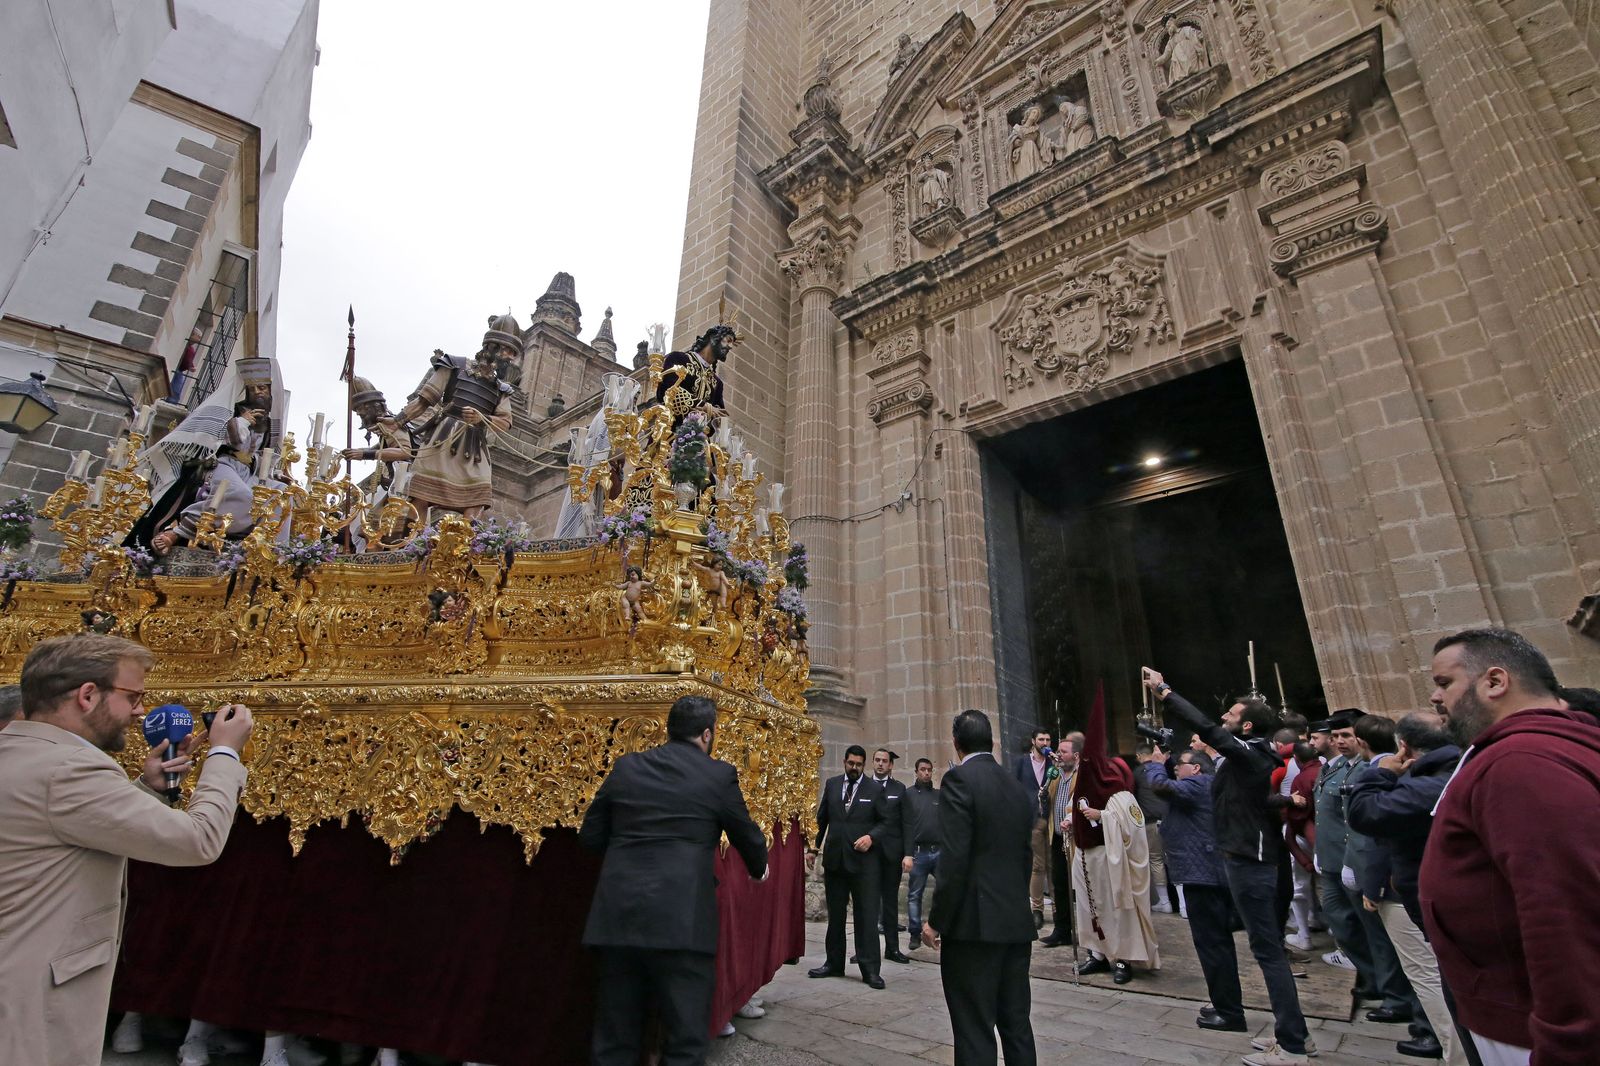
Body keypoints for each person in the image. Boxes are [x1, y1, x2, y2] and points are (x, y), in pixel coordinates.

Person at [0, 634, 252, 1066]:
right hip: (31, 1000)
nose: (139, 712)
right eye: (133, 696)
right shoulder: (70, 769)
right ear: (87, 695)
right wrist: (226, 752)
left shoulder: (19, 751)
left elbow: (69, 831)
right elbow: (197, 840)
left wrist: (145, 790)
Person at [1420, 627, 1600, 1066]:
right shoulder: (1532, 749)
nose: (1435, 698)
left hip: (1530, 1026)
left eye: (1445, 683)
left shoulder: (1520, 765)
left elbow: (1561, 914)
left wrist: (1568, 1044)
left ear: (1495, 682)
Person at [578, 694, 769, 1066]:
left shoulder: (627, 767)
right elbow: (747, 834)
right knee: (684, 1039)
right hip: (682, 921)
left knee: (614, 1038)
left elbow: (590, 836)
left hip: (618, 918)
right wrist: (759, 867)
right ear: (707, 734)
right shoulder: (717, 774)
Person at [1144, 667, 1314, 1065]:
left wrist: (1165, 691)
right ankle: (1297, 1035)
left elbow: (1208, 727)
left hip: (1248, 861)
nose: (1224, 720)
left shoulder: (1250, 753)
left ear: (1248, 725)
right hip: (1241, 856)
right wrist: (1286, 803)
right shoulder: (1244, 763)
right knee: (1266, 948)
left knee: (1268, 951)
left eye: (1231, 716)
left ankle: (1291, 1044)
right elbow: (1249, 804)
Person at [1346, 709, 1463, 1064]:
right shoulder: (1449, 771)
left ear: (1404, 747)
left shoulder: (1419, 783)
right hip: (1429, 892)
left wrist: (1374, 884)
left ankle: (1453, 1050)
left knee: (1429, 976)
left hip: (1413, 892)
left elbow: (1371, 822)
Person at [923, 709, 1037, 1066]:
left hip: (974, 928)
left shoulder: (959, 781)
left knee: (974, 1028)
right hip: (1015, 923)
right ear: (992, 742)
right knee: (1016, 1023)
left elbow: (954, 861)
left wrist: (936, 920)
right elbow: (1025, 858)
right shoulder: (1018, 789)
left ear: (956, 745)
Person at [1145, 748, 1245, 1032]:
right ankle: (1223, 1000)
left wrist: (1156, 765)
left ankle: (1230, 1011)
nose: (1177, 767)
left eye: (1181, 764)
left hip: (1204, 876)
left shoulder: (1199, 784)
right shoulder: (1203, 785)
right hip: (1204, 872)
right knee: (1214, 944)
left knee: (1213, 944)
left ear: (1197, 768)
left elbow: (1159, 786)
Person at [1068, 687, 1159, 985]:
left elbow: (1133, 822)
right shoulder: (1081, 782)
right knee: (1087, 906)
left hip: (1110, 859)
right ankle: (1096, 953)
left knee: (1114, 908)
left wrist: (1102, 816)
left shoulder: (1116, 790)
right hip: (1084, 856)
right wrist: (1072, 820)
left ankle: (1121, 957)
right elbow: (1075, 807)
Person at [389, 315, 521, 520]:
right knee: (421, 496)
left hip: (474, 446)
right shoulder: (454, 365)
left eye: (513, 354)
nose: (510, 359)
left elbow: (505, 422)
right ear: (492, 347)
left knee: (479, 496)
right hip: (442, 438)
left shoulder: (501, 389)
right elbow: (424, 401)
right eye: (507, 351)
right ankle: (417, 542)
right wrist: (396, 422)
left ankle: (465, 546)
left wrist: (483, 418)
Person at [809, 744, 890, 988]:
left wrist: (871, 837)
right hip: (835, 861)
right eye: (850, 763)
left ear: (863, 765)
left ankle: (870, 969)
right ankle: (833, 963)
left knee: (865, 917)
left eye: (858, 764)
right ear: (844, 762)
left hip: (864, 864)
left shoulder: (874, 789)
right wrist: (813, 848)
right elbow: (821, 820)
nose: (854, 768)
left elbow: (887, 822)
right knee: (836, 916)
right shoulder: (833, 785)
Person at [867, 747, 913, 963]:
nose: (880, 764)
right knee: (867, 902)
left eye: (884, 761)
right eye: (877, 760)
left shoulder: (899, 789)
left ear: (891, 765)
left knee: (891, 903)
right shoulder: (864, 787)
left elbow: (907, 823)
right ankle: (865, 949)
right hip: (869, 853)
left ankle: (892, 948)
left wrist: (908, 853)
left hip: (892, 854)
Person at [1039, 733, 1082, 948]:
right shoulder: (1055, 774)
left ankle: (1086, 931)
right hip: (1057, 837)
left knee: (1080, 886)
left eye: (1063, 752)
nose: (1058, 754)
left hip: (1077, 839)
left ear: (1075, 756)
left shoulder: (1081, 775)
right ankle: (1062, 929)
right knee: (1059, 884)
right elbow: (1048, 800)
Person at [1010, 725, 1054, 929]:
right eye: (1041, 740)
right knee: (1037, 866)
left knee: (1054, 865)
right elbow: (1014, 789)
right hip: (1032, 819)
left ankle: (1058, 907)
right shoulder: (1021, 763)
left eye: (1048, 740)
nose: (1045, 744)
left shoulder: (1053, 763)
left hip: (1052, 817)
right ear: (1033, 741)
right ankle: (1037, 909)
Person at [903, 756, 941, 949]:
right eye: (923, 769)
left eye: (929, 770)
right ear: (916, 771)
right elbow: (905, 826)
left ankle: (939, 926)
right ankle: (915, 933)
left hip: (938, 851)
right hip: (918, 853)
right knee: (914, 895)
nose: (926, 773)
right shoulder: (908, 795)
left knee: (945, 888)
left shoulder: (938, 795)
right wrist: (907, 853)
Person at [1133, 741, 1173, 913]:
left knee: (1156, 859)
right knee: (1174, 858)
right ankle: (1184, 904)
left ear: (1138, 756)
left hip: (1150, 821)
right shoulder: (1165, 769)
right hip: (1170, 818)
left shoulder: (1137, 773)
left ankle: (1165, 902)